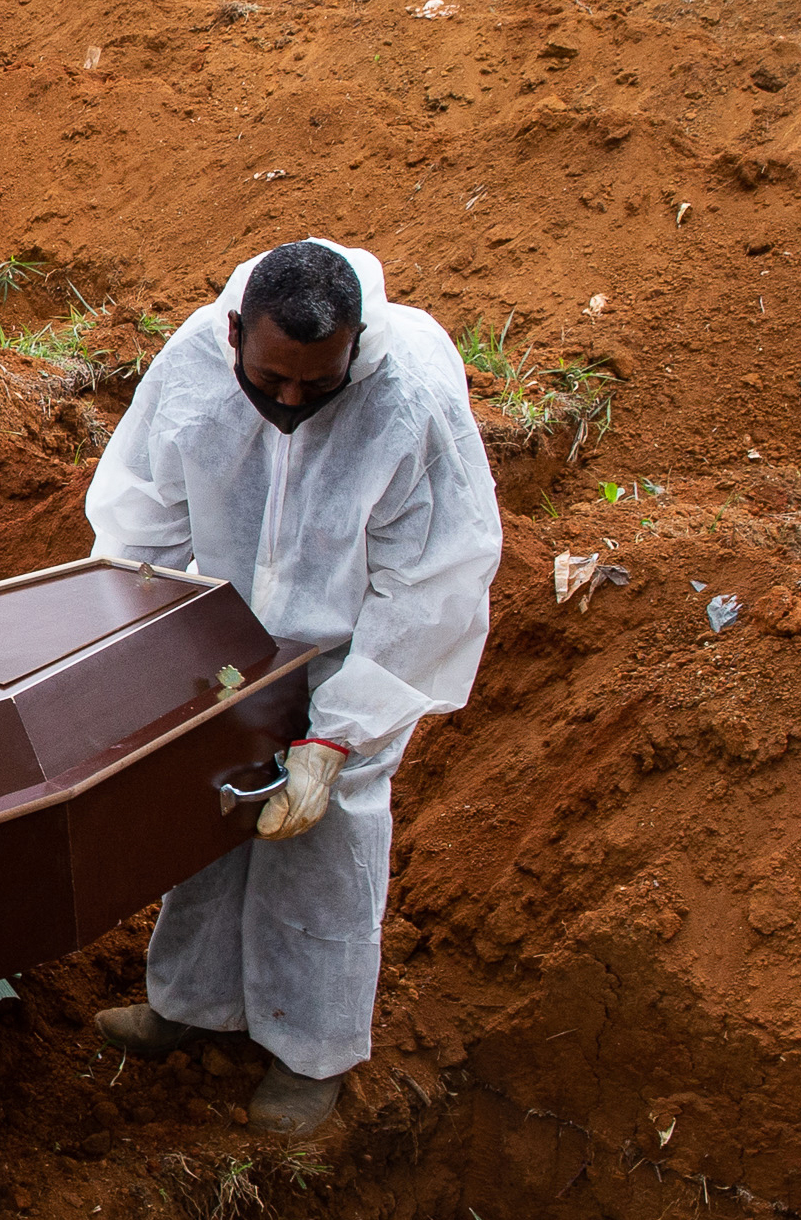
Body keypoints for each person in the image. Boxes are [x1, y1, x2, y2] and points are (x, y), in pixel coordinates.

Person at [84, 238, 501, 1135]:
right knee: (211, 803)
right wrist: (145, 654)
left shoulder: (408, 397)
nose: (289, 404)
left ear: (354, 346)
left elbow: (430, 584)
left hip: (360, 642)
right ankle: (191, 1004)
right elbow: (141, 522)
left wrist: (337, 731)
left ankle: (310, 1050)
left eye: (317, 386)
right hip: (228, 631)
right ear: (236, 333)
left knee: (325, 833)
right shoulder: (195, 364)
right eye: (269, 380)